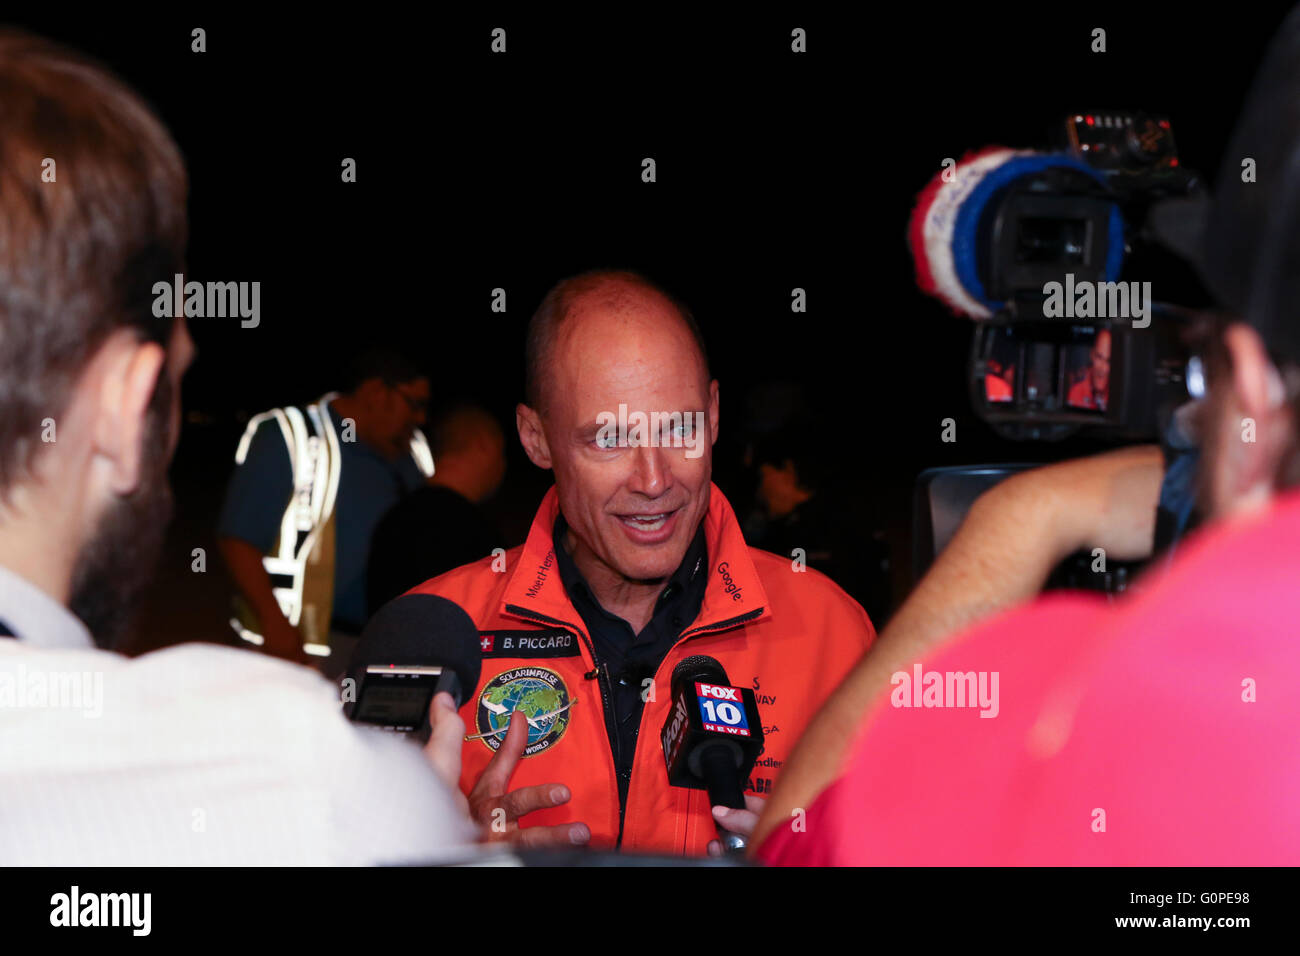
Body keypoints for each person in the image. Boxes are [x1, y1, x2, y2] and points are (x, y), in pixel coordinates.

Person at [754, 9, 1300, 864]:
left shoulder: (1085, 711)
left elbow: (795, 842)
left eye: (1199, 366)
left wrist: (1028, 514)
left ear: (1254, 391)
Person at [0, 28, 474, 864]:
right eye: (172, 386)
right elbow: (239, 543)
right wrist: (437, 816)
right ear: (123, 405)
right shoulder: (285, 770)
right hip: (299, 656)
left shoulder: (411, 459)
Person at [406, 269, 876, 854]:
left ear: (714, 412)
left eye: (681, 427)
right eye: (609, 439)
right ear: (535, 438)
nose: (655, 481)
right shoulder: (430, 636)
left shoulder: (833, 631)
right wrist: (437, 850)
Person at [217, 348, 434, 675]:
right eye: (414, 404)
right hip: (301, 644)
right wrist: (275, 623)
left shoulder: (413, 450)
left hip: (389, 644)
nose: (421, 419)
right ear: (376, 391)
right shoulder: (289, 436)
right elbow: (237, 539)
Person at [367, 404, 508, 615]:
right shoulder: (471, 530)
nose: (502, 466)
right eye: (502, 452)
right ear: (484, 445)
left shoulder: (394, 518)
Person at [1066, 329, 1111, 410]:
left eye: (1108, 361)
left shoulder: (1121, 396)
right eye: (1099, 357)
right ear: (1092, 355)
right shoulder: (1075, 393)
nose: (1103, 369)